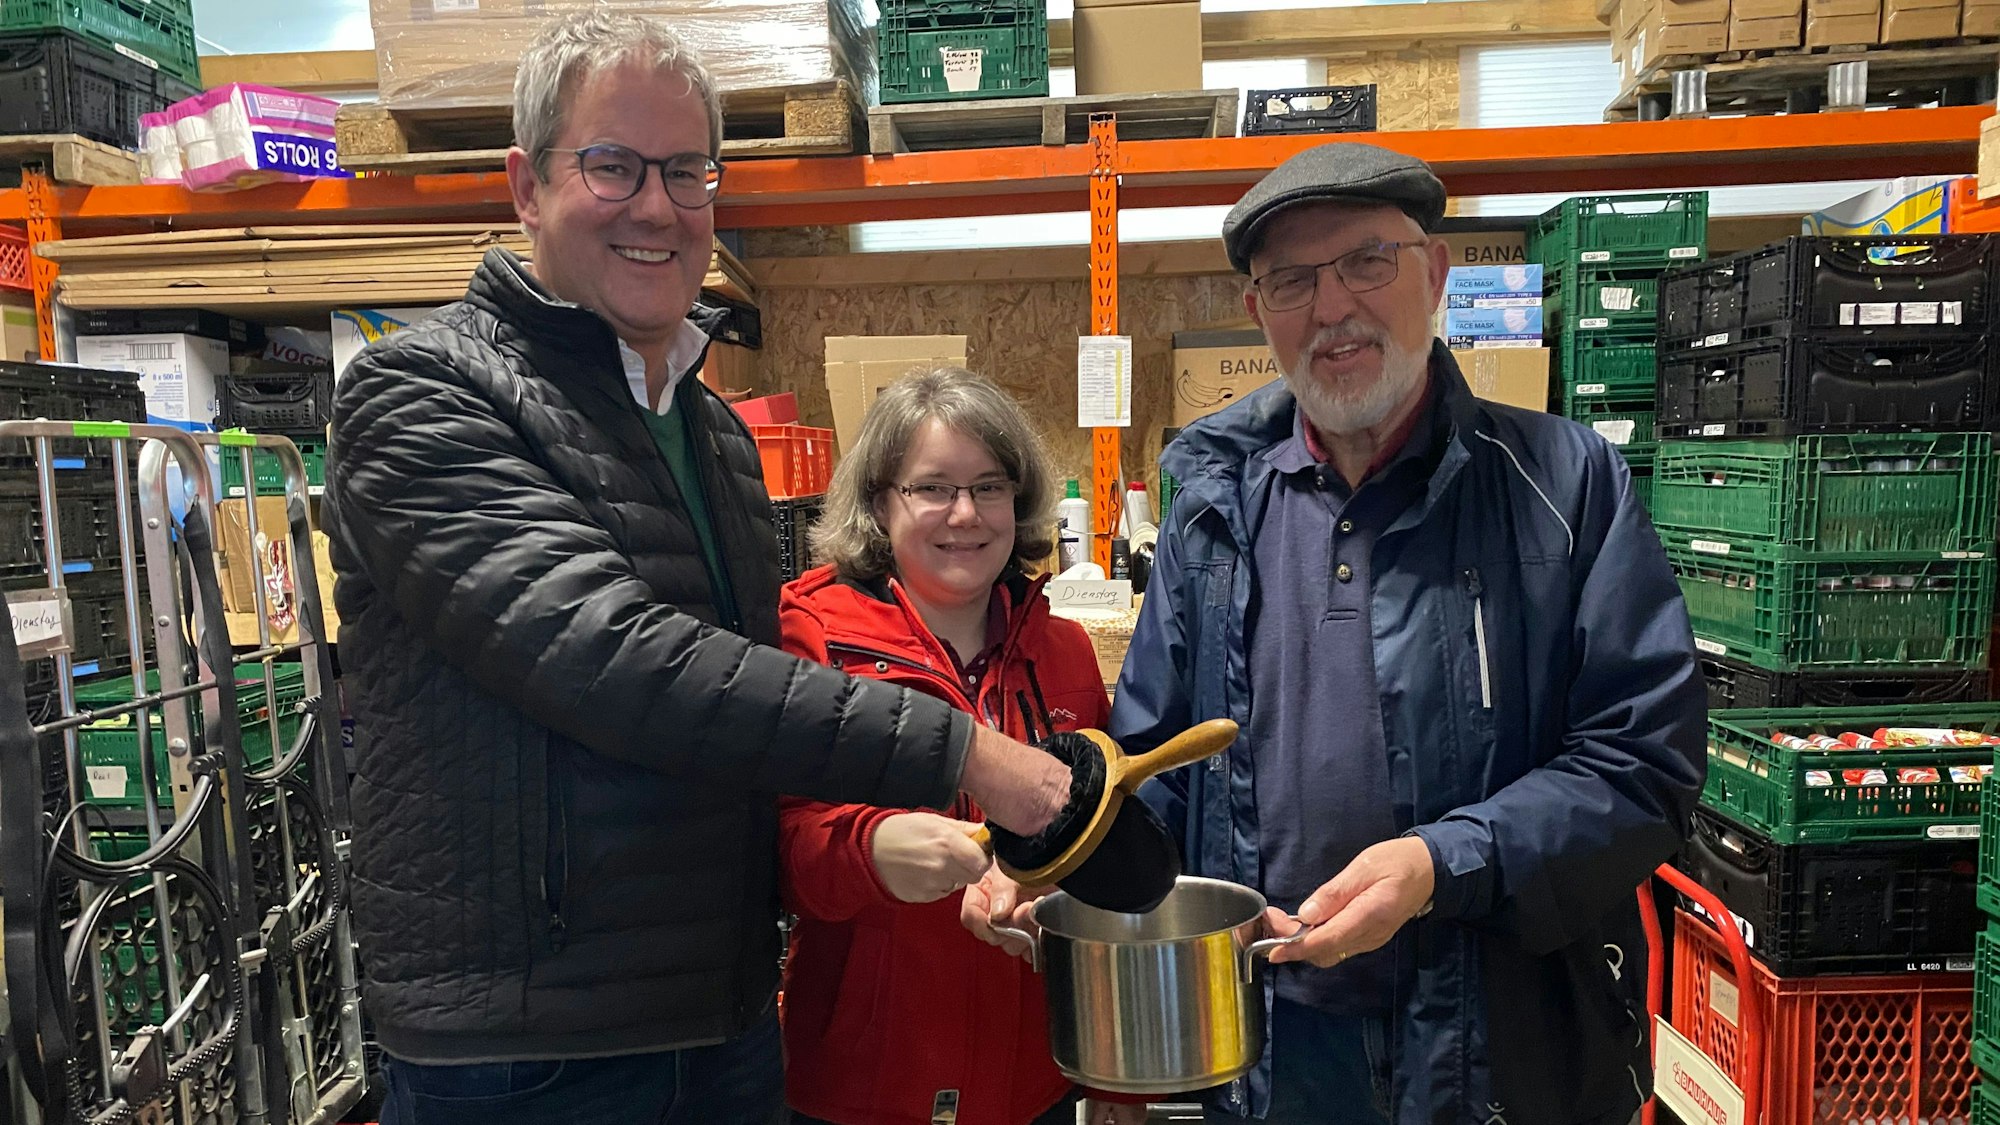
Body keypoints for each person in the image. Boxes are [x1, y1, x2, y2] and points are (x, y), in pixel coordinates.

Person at [321, 14, 1073, 1125]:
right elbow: (616, 661)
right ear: (526, 186)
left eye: (686, 171)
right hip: (528, 1045)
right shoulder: (422, 395)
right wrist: (963, 752)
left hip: (714, 1020)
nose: (658, 206)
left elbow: (746, 721)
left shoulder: (712, 432)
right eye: (613, 166)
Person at [974, 142, 1707, 1125]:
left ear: (1433, 274)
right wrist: (1064, 864)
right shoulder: (1210, 497)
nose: (1331, 309)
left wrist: (1442, 862)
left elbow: (1640, 766)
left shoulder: (1563, 485)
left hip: (1497, 1038)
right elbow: (1159, 764)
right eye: (1291, 282)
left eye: (1366, 262)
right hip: (1270, 1036)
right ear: (1257, 314)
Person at [777, 368, 1143, 1125]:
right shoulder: (813, 636)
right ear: (881, 502)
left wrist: (1115, 1075)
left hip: (1031, 1084)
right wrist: (871, 848)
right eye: (932, 487)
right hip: (865, 1088)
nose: (966, 514)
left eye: (990, 486)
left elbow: (1106, 868)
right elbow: (777, 854)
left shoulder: (1064, 650)